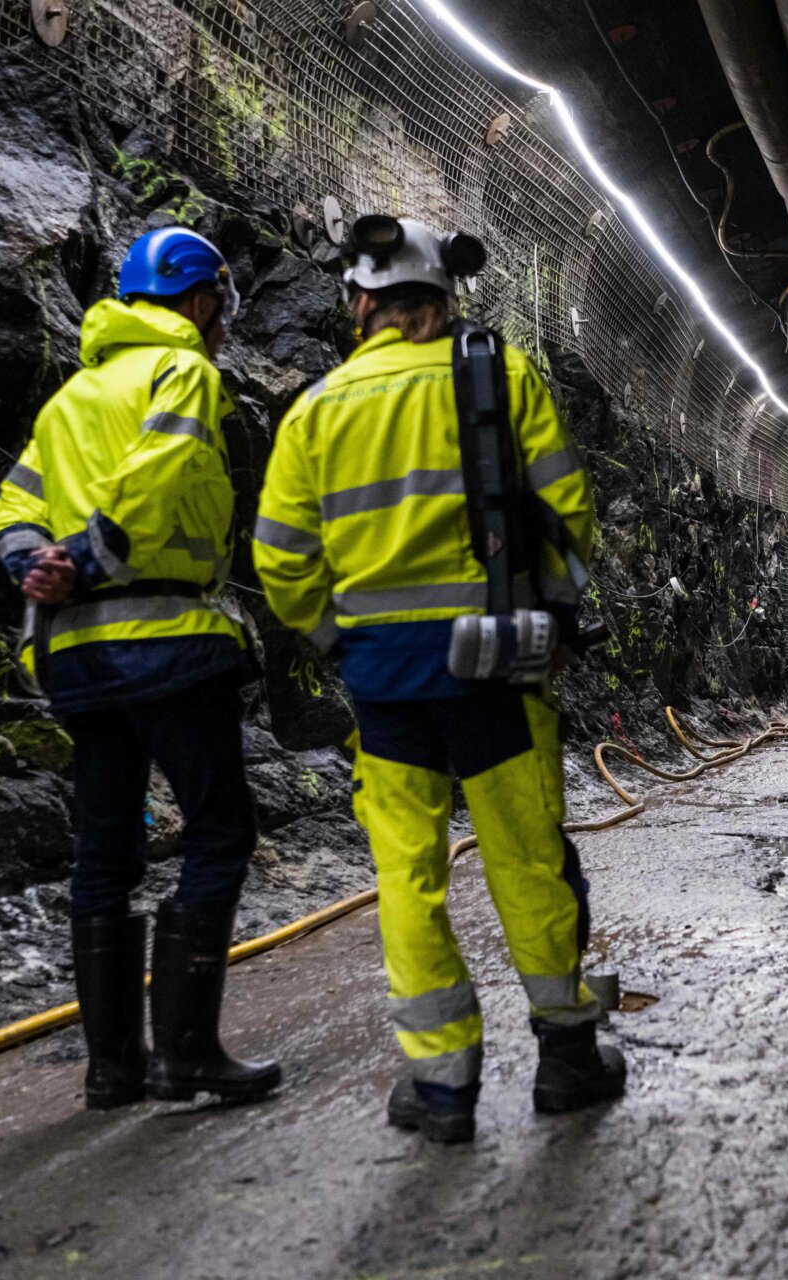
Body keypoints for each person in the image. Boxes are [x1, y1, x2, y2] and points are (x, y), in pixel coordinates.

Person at [253, 216, 620, 1144]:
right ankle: (566, 1058)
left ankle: (443, 1086)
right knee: (527, 859)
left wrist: (339, 643)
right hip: (495, 669)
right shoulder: (500, 376)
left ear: (360, 305)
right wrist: (556, 620)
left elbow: (281, 560)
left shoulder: (317, 409)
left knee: (407, 876)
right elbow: (567, 511)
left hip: (384, 684)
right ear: (443, 300)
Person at [0, 227, 279, 1109]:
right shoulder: (184, 372)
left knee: (104, 853)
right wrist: (88, 557)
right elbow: (162, 470)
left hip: (75, 657)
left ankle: (112, 1069)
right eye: (221, 309)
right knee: (219, 833)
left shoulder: (70, 398)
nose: (222, 327)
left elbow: (10, 508)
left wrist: (35, 562)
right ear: (201, 300)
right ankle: (187, 1055)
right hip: (167, 643)